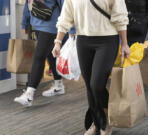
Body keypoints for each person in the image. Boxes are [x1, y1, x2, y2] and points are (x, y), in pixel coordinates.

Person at [52, 0, 130, 134]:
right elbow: (66, 17)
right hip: (83, 41)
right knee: (89, 86)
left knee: (96, 84)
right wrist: (58, 42)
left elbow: (120, 16)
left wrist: (124, 43)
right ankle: (97, 123)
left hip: (107, 40)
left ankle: (106, 119)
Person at [14, 0, 75, 107]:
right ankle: (59, 85)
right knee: (50, 55)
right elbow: (28, 4)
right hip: (37, 24)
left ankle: (29, 94)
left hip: (51, 27)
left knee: (39, 56)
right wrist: (25, 22)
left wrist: (72, 29)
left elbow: (66, 7)